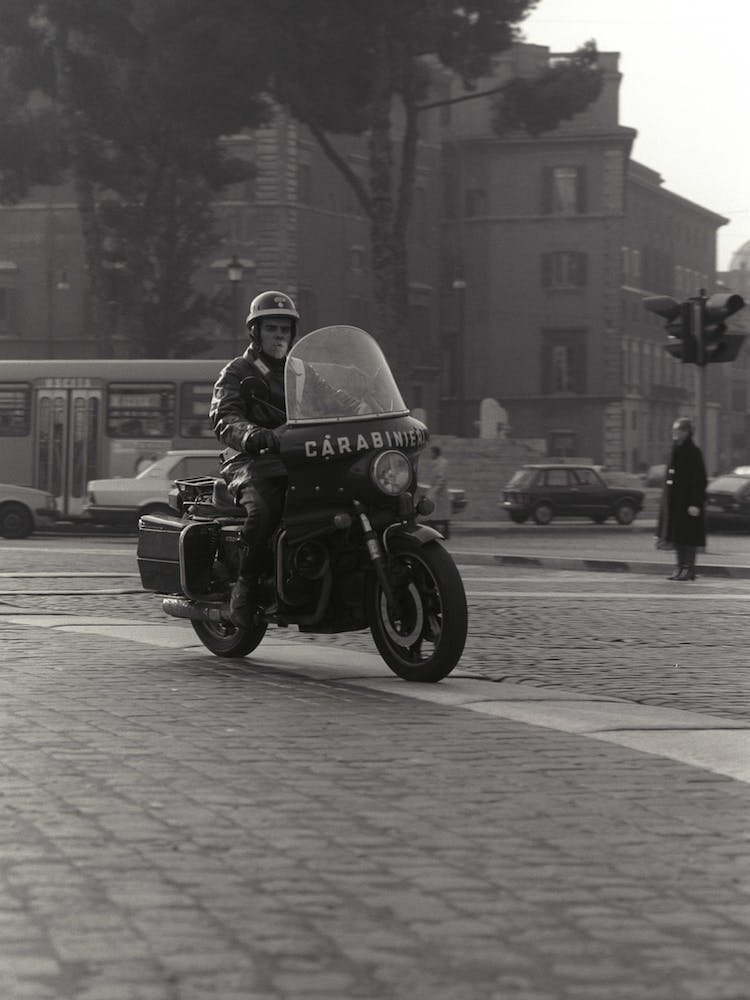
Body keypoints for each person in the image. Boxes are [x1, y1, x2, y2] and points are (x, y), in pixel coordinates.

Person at [210, 290, 299, 627]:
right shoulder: (238, 371)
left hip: (298, 457)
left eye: (284, 329)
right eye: (272, 328)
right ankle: (243, 587)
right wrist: (252, 434)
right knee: (265, 509)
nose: (279, 336)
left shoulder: (301, 372)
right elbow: (225, 416)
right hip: (249, 460)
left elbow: (335, 401)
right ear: (255, 332)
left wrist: (362, 407)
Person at [658, 416, 707, 581]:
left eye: (678, 430)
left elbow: (699, 479)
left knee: (689, 537)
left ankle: (689, 568)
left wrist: (695, 503)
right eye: (674, 430)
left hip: (688, 503)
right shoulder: (674, 450)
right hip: (675, 502)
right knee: (677, 537)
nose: (674, 433)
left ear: (686, 432)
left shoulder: (694, 452)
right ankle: (679, 566)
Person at [426, 445, 451, 539]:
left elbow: (441, 479)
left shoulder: (442, 463)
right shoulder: (434, 463)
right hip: (435, 492)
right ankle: (436, 533)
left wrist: (433, 492)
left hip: (440, 493)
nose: (430, 455)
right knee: (435, 515)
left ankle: (444, 533)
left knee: (440, 516)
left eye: (431, 453)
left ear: (435, 453)